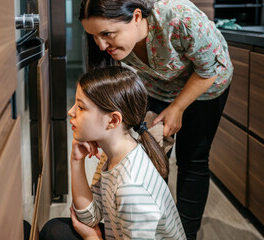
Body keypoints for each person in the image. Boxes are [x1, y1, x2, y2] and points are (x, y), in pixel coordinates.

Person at [78, 0, 233, 239]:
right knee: (149, 154)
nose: (100, 45)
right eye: (93, 36)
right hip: (159, 88)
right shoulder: (109, 42)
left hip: (207, 86)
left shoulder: (181, 18)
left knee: (193, 159)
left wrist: (178, 107)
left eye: (107, 34)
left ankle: (187, 233)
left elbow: (209, 69)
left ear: (137, 16)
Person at [40, 66, 186, 239]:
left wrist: (92, 238)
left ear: (113, 120)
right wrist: (76, 160)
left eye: (80, 107)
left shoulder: (132, 189)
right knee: (54, 229)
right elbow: (89, 217)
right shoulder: (117, 157)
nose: (70, 111)